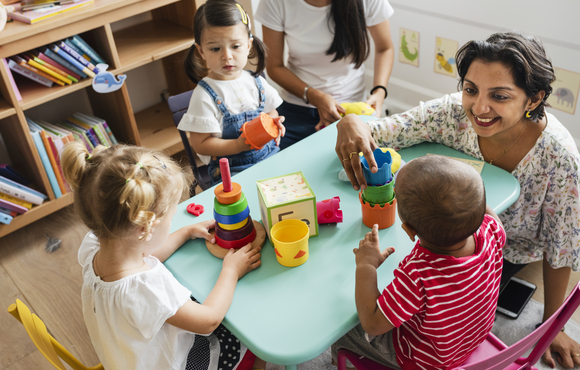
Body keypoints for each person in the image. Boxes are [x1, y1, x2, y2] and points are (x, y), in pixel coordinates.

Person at [335, 31, 580, 368]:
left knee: (349, 304)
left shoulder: (560, 158)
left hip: (503, 254)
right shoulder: (452, 114)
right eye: (470, 89)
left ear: (534, 100)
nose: (479, 108)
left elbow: (561, 247)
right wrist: (351, 121)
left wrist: (555, 325)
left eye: (500, 96)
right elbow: (383, 130)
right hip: (471, 247)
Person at [61, 142, 263, 370]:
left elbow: (143, 252)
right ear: (145, 229)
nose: (173, 222)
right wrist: (231, 271)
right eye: (171, 218)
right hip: (169, 364)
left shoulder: (95, 246)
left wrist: (184, 232)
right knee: (247, 336)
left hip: (126, 357)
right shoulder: (146, 288)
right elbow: (208, 320)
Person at [331, 155, 506, 369]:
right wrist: (468, 201)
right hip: (470, 339)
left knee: (342, 329)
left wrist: (366, 265)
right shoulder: (492, 230)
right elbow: (488, 215)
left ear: (409, 230)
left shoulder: (418, 274)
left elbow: (372, 322)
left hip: (426, 361)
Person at [255, 0, 395, 149]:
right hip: (295, 109)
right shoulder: (275, 2)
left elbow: (385, 48)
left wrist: (379, 92)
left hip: (350, 110)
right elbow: (274, 66)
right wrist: (315, 97)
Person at [178, 0, 285, 185]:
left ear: (249, 44)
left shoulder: (256, 81)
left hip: (270, 156)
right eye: (215, 48)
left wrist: (272, 123)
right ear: (201, 51)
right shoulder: (204, 96)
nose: (227, 55)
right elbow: (200, 144)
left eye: (235, 46)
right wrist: (237, 145)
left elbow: (271, 111)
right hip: (231, 171)